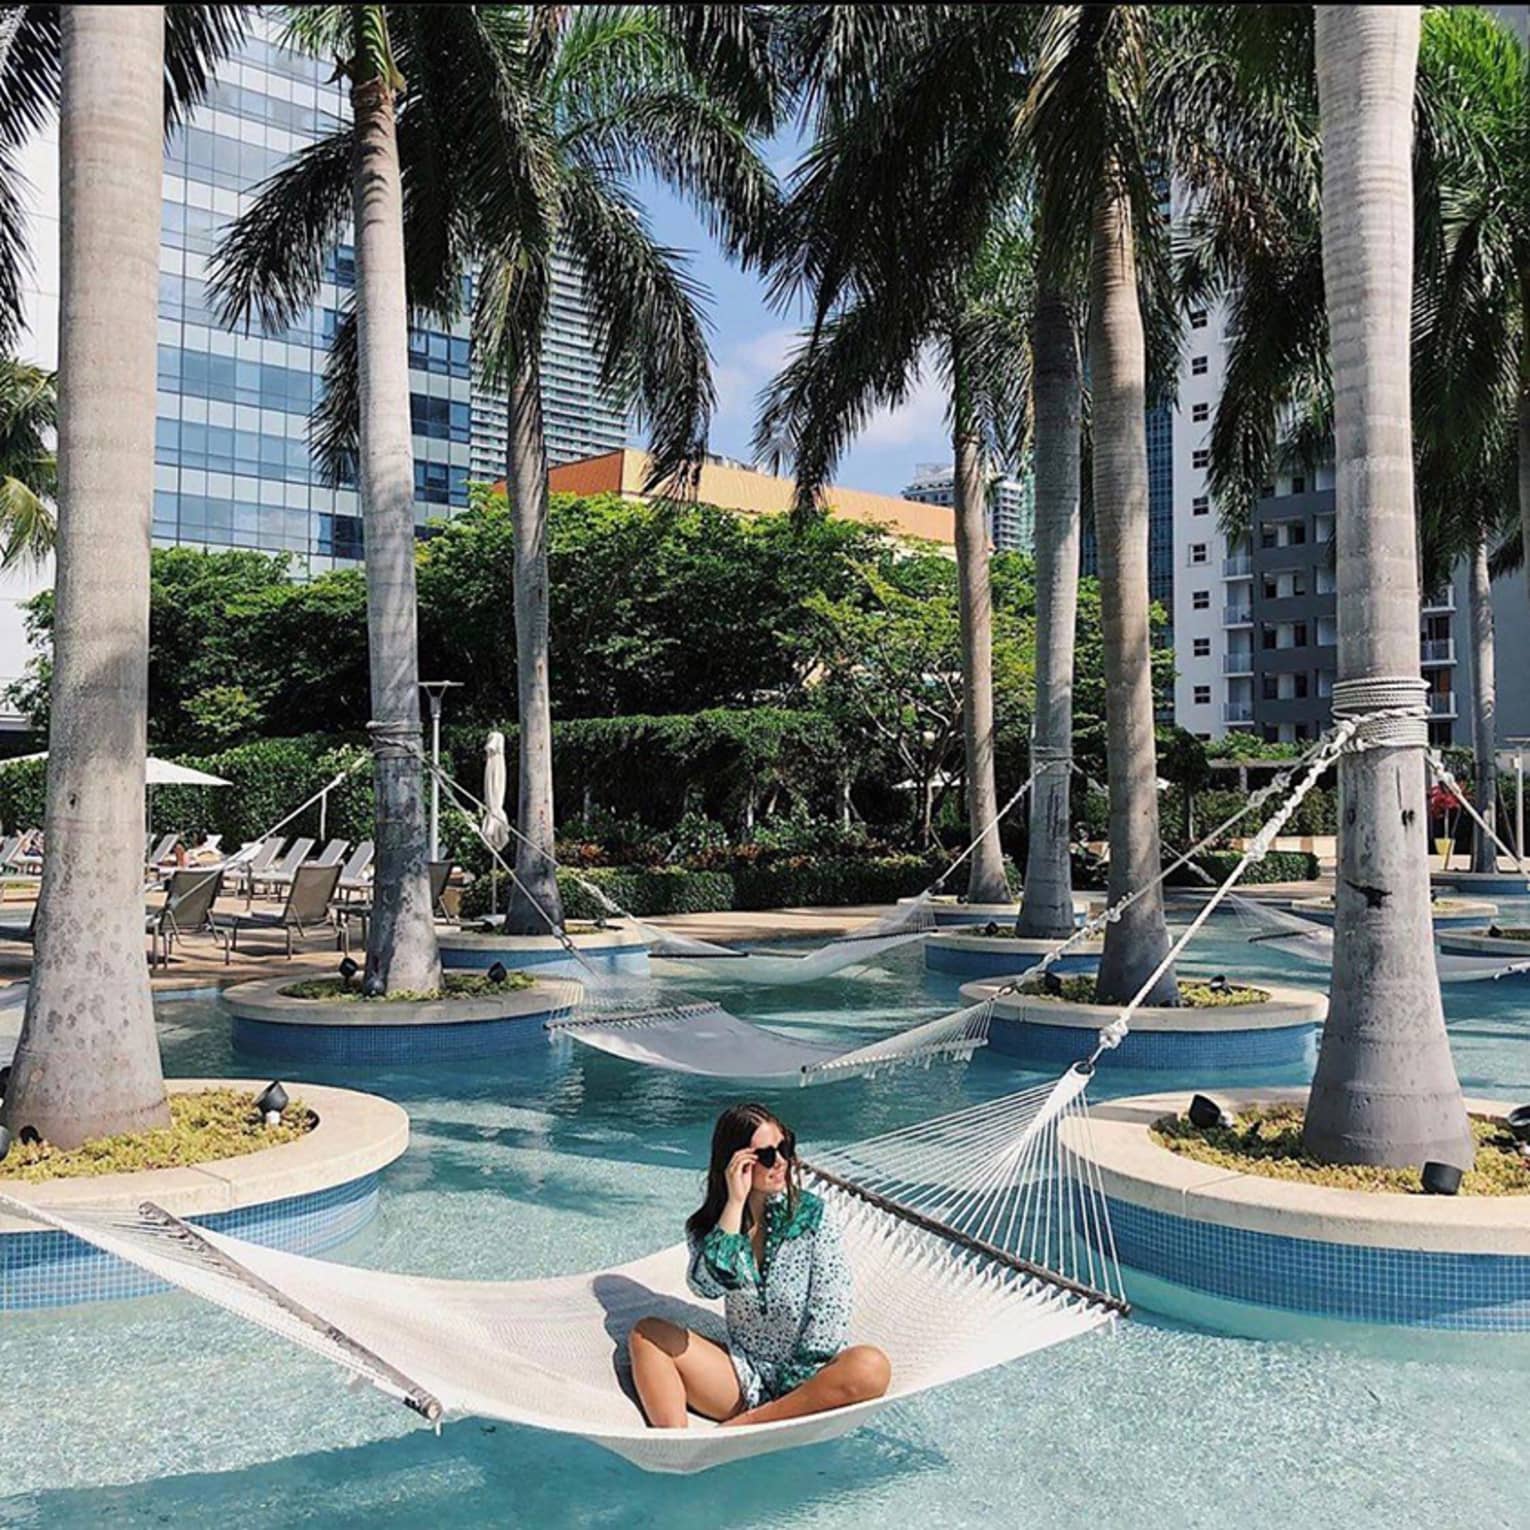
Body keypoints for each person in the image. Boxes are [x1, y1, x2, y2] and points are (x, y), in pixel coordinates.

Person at [628, 1102, 891, 1430]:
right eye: (766, 1155)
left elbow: (831, 1308)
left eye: (785, 1147)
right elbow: (706, 1286)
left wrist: (791, 1384)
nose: (781, 1161)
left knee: (871, 1367)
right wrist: (735, 1205)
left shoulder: (812, 1216)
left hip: (811, 1382)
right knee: (646, 1334)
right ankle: (676, 1448)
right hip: (745, 1374)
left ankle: (745, 1427)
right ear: (736, 1164)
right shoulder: (713, 1227)